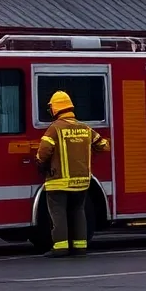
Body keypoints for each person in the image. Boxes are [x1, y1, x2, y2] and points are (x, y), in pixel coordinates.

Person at [36, 91, 110, 257]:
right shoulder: (84, 128)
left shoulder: (54, 129)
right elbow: (104, 145)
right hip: (82, 181)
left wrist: (40, 163)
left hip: (59, 181)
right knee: (78, 211)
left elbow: (43, 152)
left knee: (58, 213)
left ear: (55, 108)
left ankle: (60, 247)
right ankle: (80, 246)